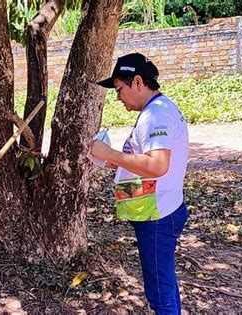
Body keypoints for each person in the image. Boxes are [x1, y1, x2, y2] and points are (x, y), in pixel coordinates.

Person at [90, 53, 188, 314]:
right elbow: (143, 161)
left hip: (157, 214)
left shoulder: (156, 115)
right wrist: (111, 160)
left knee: (159, 289)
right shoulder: (158, 109)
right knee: (162, 282)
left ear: (137, 82)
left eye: (119, 89)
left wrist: (108, 154)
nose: (118, 97)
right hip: (157, 209)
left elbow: (157, 165)